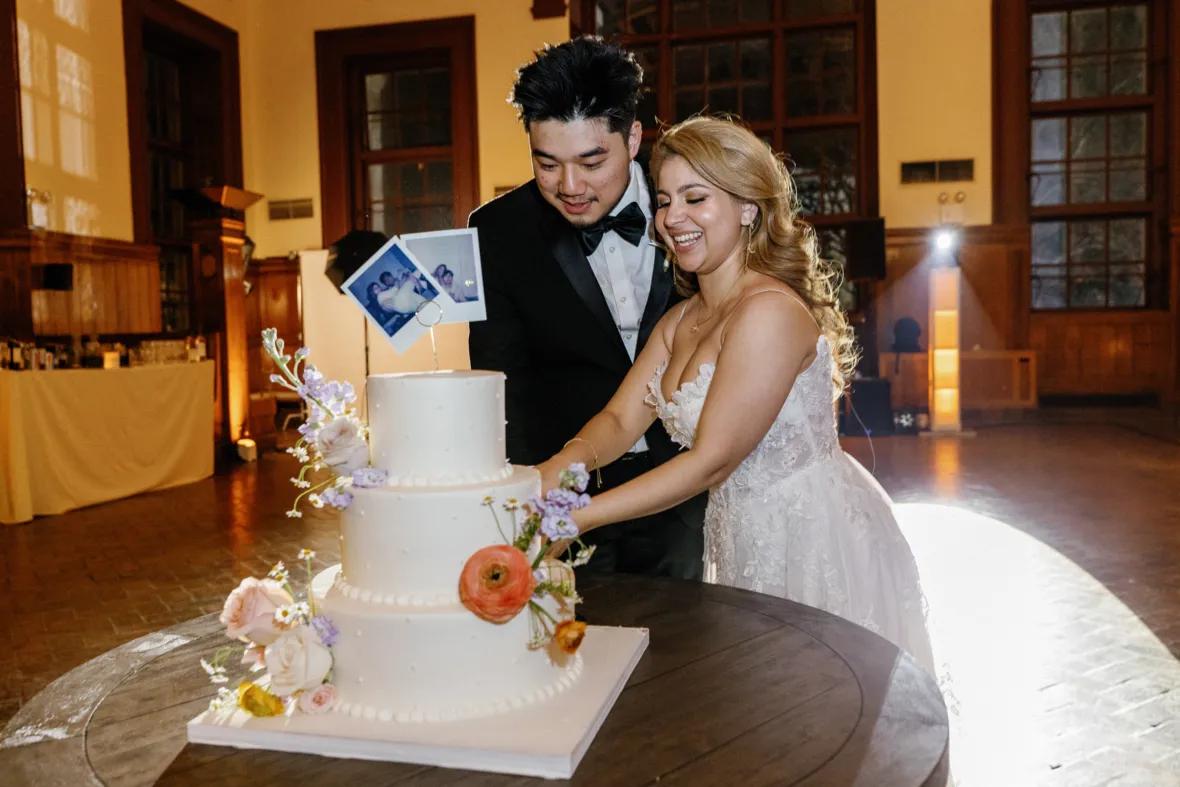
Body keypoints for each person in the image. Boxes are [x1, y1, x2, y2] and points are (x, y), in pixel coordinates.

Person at [537, 116, 936, 676]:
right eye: (665, 200)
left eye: (695, 198)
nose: (673, 218)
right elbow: (619, 418)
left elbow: (712, 459)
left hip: (810, 538)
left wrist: (579, 517)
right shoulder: (680, 321)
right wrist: (551, 473)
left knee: (812, 701)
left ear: (749, 207)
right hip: (736, 526)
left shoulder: (768, 311)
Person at [468, 37, 705, 580]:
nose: (569, 187)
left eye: (591, 161)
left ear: (633, 137)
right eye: (546, 163)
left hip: (690, 479)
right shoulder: (498, 232)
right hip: (568, 489)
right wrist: (531, 494)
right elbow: (505, 377)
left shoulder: (693, 202)